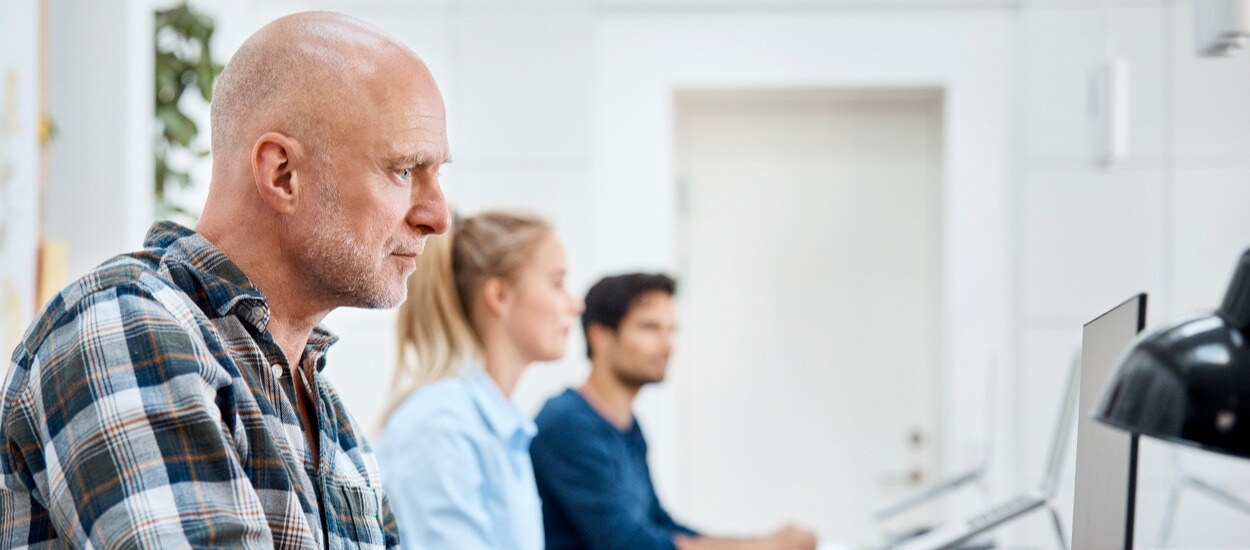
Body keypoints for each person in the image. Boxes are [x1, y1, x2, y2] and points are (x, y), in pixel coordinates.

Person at [0, 12, 450, 548]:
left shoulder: (333, 424)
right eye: (404, 171)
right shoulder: (122, 325)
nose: (437, 215)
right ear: (283, 174)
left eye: (435, 174)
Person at [530, 273, 819, 550]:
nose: (668, 345)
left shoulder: (628, 427)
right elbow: (625, 544)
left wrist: (760, 544)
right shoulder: (566, 424)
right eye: (650, 328)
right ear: (600, 336)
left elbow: (657, 523)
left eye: (671, 330)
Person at [376, 210, 584, 549]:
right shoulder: (441, 426)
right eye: (557, 283)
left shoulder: (496, 425)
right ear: (499, 296)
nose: (576, 304)